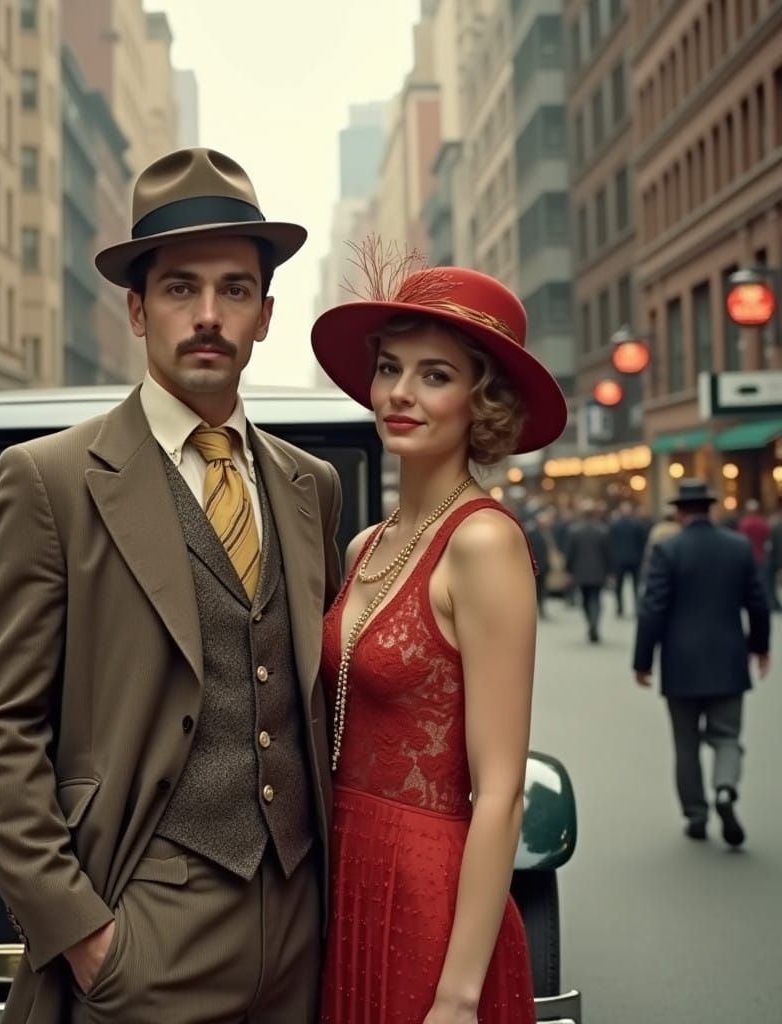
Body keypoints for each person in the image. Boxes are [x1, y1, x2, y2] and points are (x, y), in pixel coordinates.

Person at [0, 148, 342, 1024]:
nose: (209, 315)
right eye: (180, 289)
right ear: (136, 308)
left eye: (235, 290)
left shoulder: (309, 483)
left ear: (266, 313)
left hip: (301, 925)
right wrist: (84, 933)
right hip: (145, 922)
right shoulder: (50, 479)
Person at [311, 262, 567, 1023]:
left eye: (435, 375)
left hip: (429, 894)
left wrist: (458, 996)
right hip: (345, 873)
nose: (400, 393)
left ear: (480, 403)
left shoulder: (483, 543)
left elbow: (501, 789)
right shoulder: (364, 546)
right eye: (390, 368)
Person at [633, 480, 770, 847]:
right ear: (709, 508)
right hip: (728, 658)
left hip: (681, 663)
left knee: (686, 743)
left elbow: (652, 610)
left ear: (680, 511)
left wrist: (643, 661)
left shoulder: (669, 549)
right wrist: (761, 647)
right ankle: (725, 788)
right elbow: (758, 603)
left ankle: (696, 814)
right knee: (727, 737)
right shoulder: (738, 548)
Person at [565, 499, 614, 643]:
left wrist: (568, 571)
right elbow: (608, 553)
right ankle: (594, 623)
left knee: (585, 600)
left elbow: (570, 553)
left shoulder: (574, 531)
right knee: (596, 599)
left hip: (581, 572)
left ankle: (591, 623)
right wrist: (610, 572)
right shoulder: (603, 530)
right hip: (599, 571)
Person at [608, 500, 648, 616]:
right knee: (633, 586)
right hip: (633, 559)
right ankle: (633, 607)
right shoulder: (637, 524)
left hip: (621, 559)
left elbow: (611, 543)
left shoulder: (615, 524)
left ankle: (621, 607)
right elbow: (643, 542)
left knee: (621, 587)